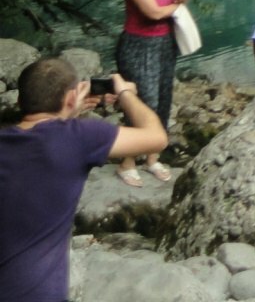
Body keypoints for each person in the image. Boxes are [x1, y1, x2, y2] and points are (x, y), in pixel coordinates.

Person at [0, 60, 167, 302]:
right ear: (70, 98)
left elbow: (40, 133)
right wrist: (126, 93)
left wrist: (68, 112)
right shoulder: (81, 137)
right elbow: (157, 137)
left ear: (19, 100)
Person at [114, 0, 189, 186]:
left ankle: (152, 158)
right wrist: (176, 6)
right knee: (144, 102)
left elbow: (169, 5)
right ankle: (126, 163)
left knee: (164, 99)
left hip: (165, 44)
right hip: (138, 46)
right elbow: (154, 12)